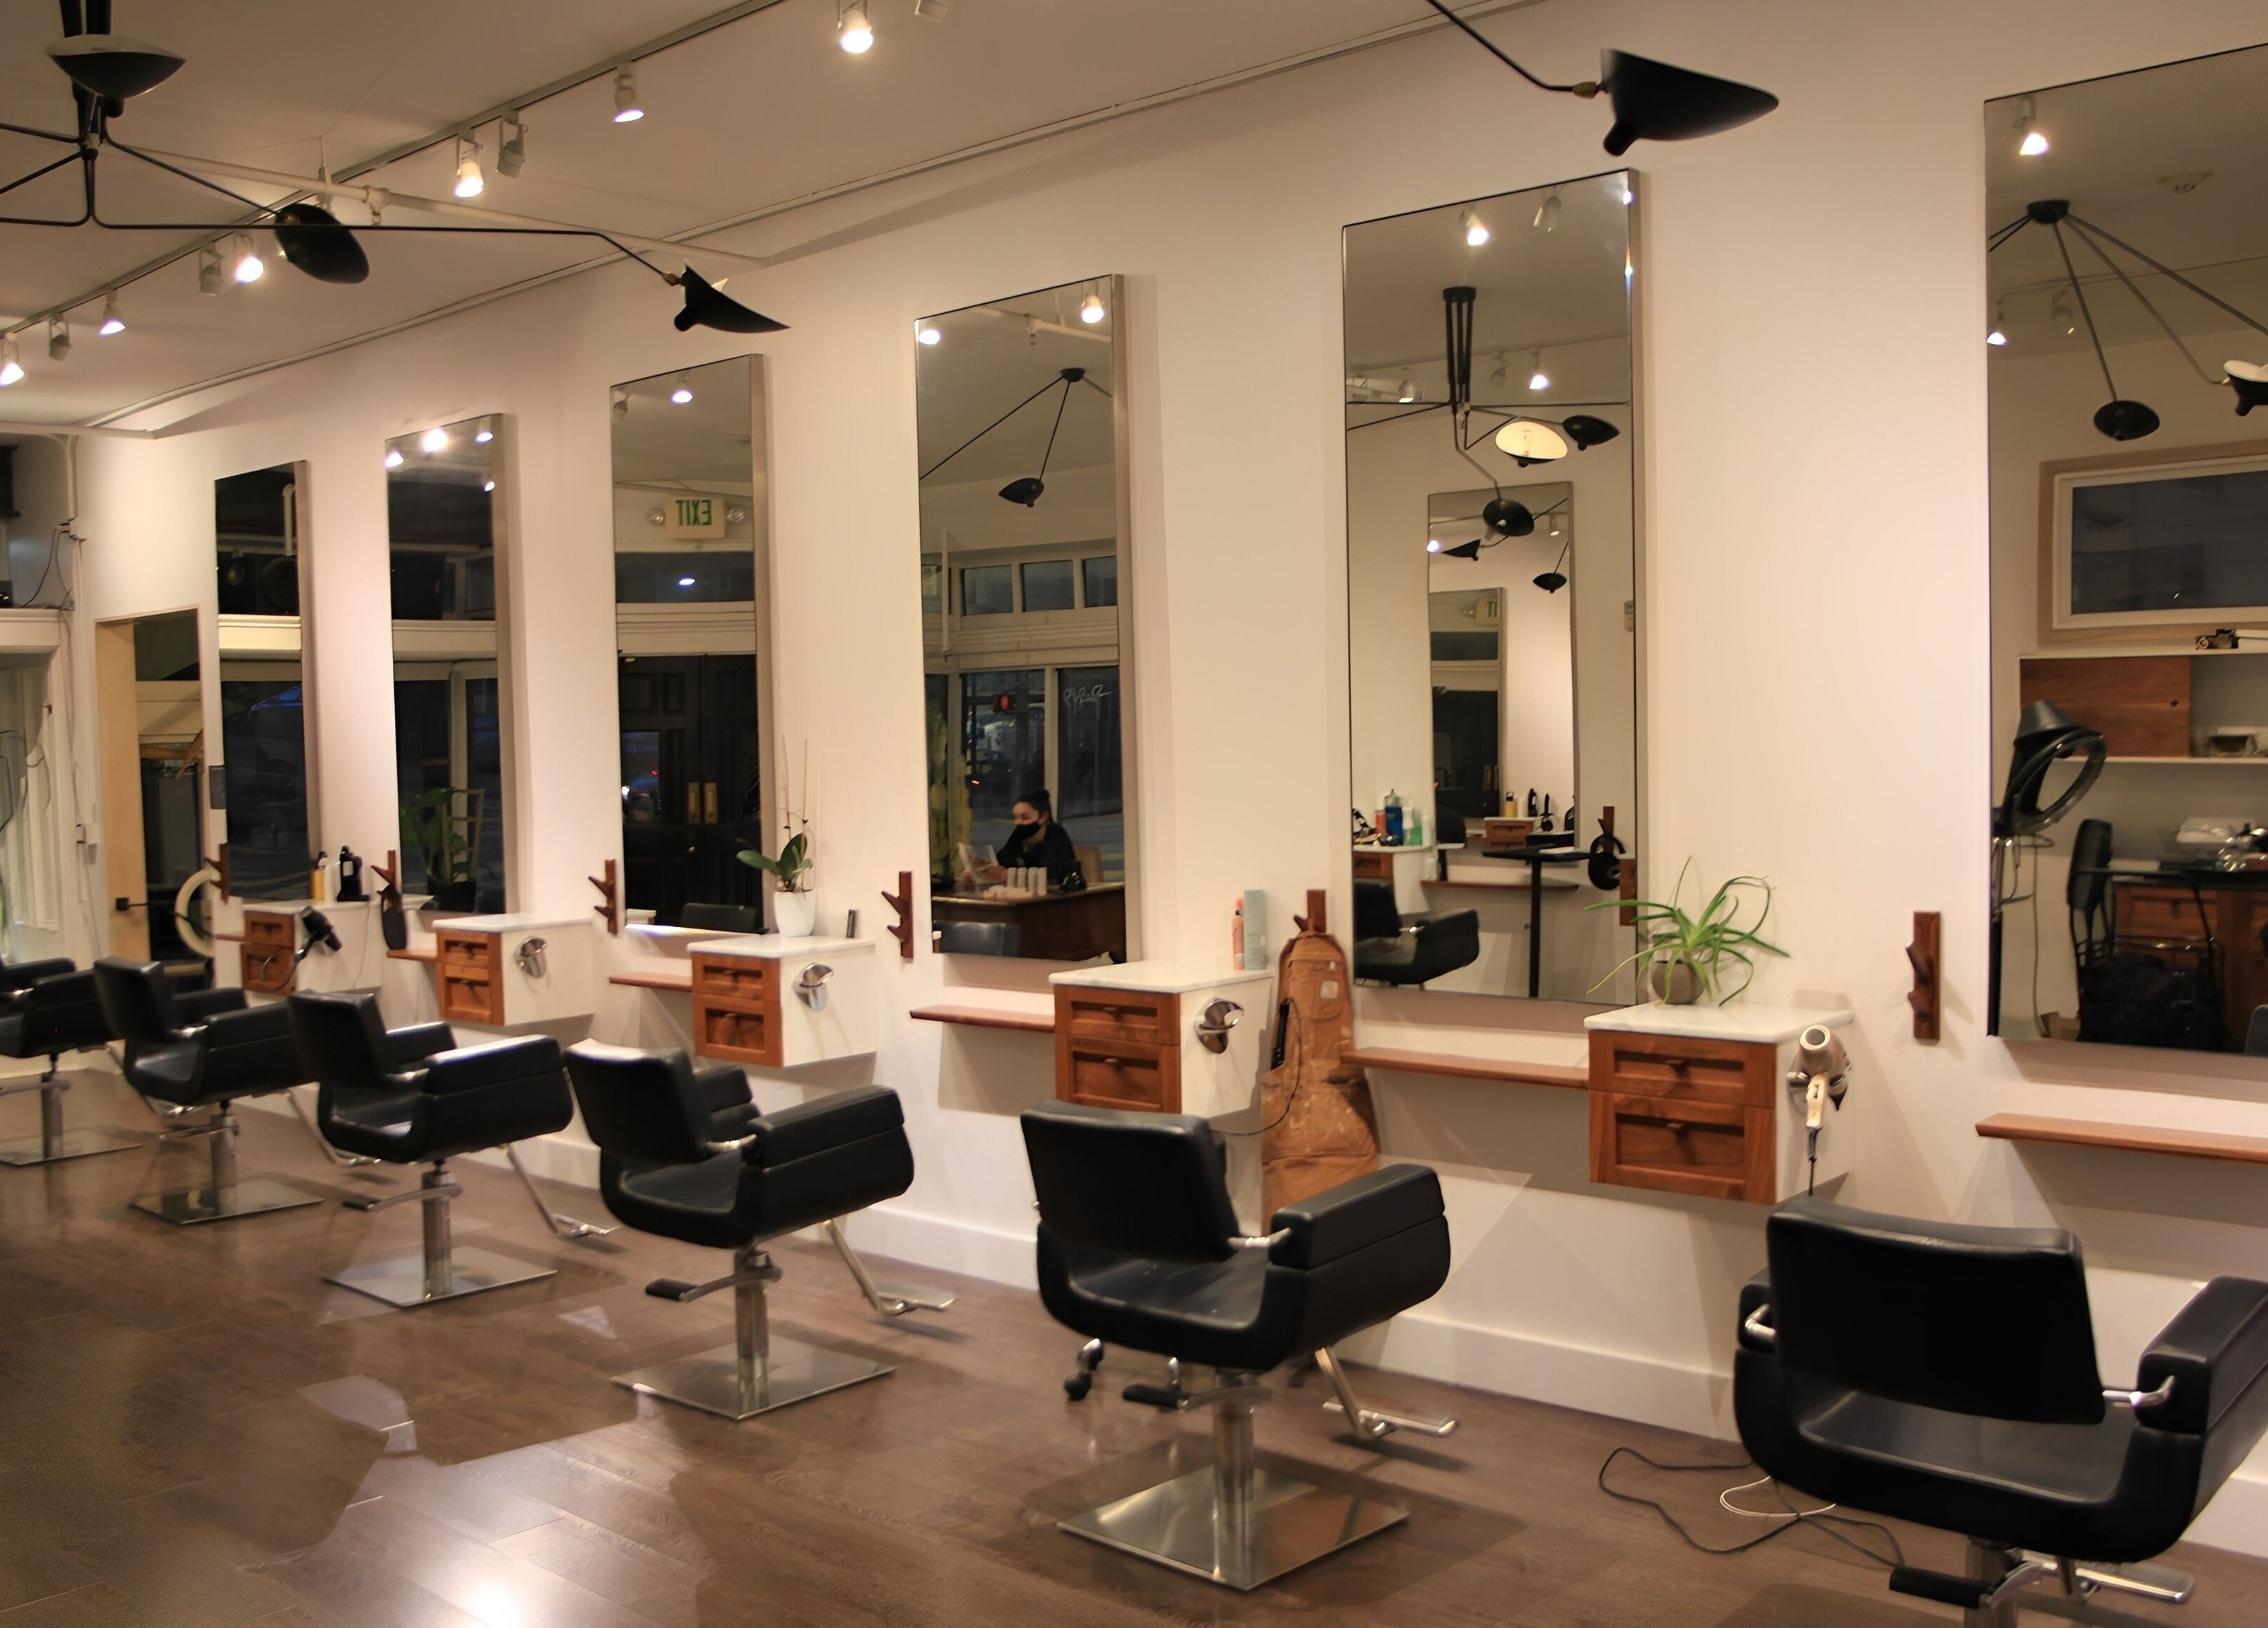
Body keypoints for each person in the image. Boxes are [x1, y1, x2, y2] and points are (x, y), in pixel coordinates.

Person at [988, 789, 1081, 888]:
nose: (1018, 822)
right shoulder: (1019, 833)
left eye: (1025, 818)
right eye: (1015, 818)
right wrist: (996, 868)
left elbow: (1050, 873)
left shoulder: (1056, 834)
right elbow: (1003, 859)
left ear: (1044, 817)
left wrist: (1012, 874)